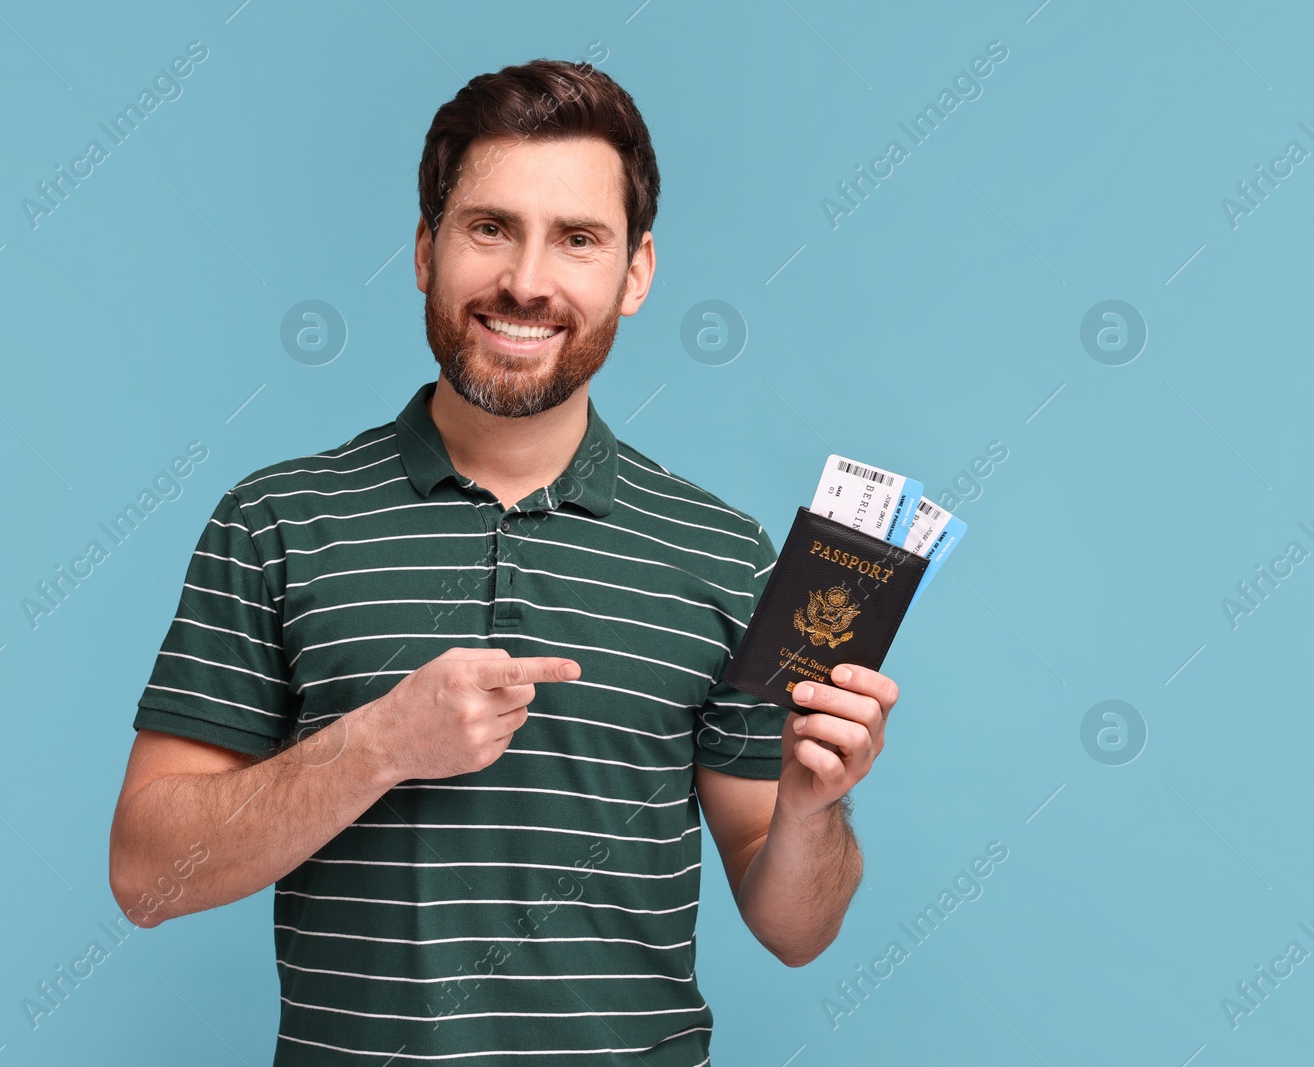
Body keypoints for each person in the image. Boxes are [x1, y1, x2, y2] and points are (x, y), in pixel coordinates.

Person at [109, 57, 902, 1064]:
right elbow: (146, 873)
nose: (526, 280)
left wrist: (811, 806)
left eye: (577, 238)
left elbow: (796, 927)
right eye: (490, 227)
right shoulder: (274, 519)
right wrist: (379, 742)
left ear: (636, 270)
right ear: (424, 249)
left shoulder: (724, 552)